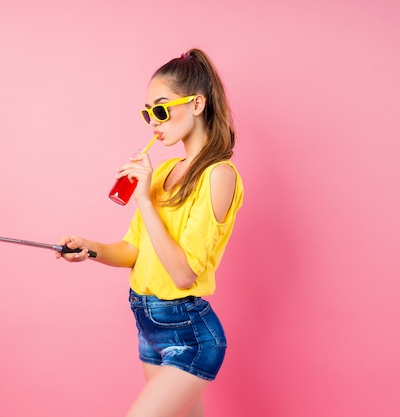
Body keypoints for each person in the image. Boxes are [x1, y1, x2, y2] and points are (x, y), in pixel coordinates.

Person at [56, 48, 244, 417]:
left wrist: (144, 199)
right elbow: (133, 249)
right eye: (147, 113)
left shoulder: (218, 176)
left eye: (160, 109)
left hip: (188, 333)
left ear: (197, 104)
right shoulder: (162, 172)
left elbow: (183, 273)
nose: (152, 121)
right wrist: (89, 248)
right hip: (148, 327)